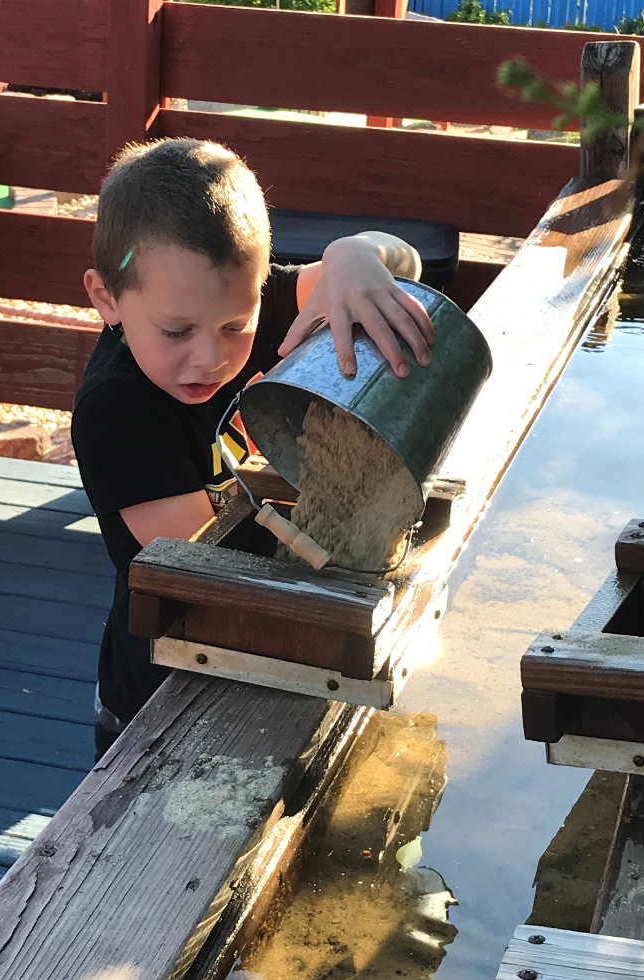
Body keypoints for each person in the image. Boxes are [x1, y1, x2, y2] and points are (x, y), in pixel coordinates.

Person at [72, 138, 434, 761]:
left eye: (235, 328)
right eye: (176, 331)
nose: (211, 356)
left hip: (261, 651)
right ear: (106, 298)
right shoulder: (117, 410)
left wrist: (352, 256)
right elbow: (209, 564)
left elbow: (405, 263)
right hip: (163, 693)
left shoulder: (230, 303)